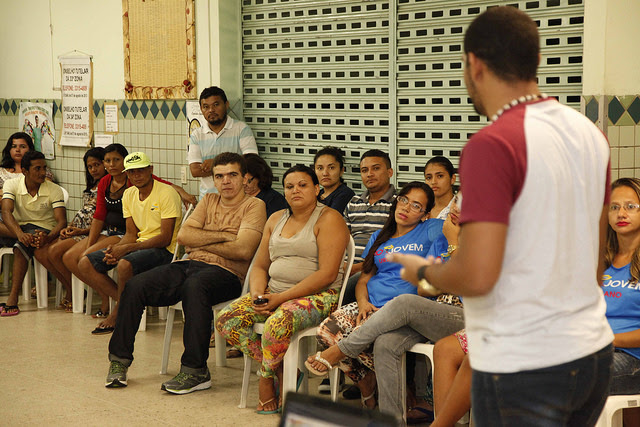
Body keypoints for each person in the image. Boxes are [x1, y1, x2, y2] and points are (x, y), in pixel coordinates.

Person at [389, 7, 613, 425]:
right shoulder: (591, 135)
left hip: (526, 364)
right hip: (591, 353)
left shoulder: (492, 144)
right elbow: (596, 264)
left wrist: (423, 272)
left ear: (474, 64)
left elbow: (477, 275)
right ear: (536, 60)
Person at [105, 152, 266, 392]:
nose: (226, 181)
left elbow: (243, 250)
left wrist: (201, 241)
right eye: (219, 176)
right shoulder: (209, 200)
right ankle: (119, 361)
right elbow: (183, 236)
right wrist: (225, 236)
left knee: (195, 287)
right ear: (214, 180)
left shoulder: (255, 205)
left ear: (244, 178)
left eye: (232, 175)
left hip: (228, 273)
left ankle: (195, 370)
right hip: (190, 264)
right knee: (135, 285)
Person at [215, 165, 349, 414]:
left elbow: (328, 274)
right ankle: (285, 369)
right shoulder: (275, 218)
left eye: (303, 185)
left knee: (277, 323)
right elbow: (260, 266)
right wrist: (258, 295)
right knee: (227, 320)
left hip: (319, 296)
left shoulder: (329, 218)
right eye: (289, 186)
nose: (295, 190)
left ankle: (266, 379)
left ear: (317, 190)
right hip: (274, 293)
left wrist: (281, 298)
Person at [305, 182, 447, 413]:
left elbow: (452, 228)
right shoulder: (380, 237)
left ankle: (348, 359)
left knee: (368, 337)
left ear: (425, 214)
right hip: (371, 305)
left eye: (416, 206)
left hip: (405, 311)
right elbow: (363, 279)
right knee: (326, 332)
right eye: (404, 200)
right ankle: (367, 381)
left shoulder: (431, 229)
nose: (406, 207)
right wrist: (363, 303)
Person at [77, 152, 182, 334]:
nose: (137, 175)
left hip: (165, 250)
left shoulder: (167, 193)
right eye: (132, 172)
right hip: (140, 245)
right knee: (85, 263)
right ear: (126, 174)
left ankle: (118, 312)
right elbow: (131, 234)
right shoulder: (129, 194)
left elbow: (165, 238)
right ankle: (126, 301)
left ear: (150, 170)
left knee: (125, 264)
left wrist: (126, 249)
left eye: (141, 170)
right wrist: (116, 249)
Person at [36, 147, 106, 311]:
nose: (93, 169)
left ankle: (80, 291)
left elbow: (102, 220)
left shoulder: (108, 186)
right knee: (42, 251)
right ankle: (71, 287)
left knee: (56, 252)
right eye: (90, 166)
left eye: (97, 165)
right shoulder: (93, 185)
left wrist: (81, 231)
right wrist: (69, 227)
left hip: (91, 232)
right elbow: (85, 212)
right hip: (77, 229)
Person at [0, 151, 66, 316]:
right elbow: (6, 212)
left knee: (21, 246)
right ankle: (25, 238)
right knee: (23, 239)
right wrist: (20, 234)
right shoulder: (12, 184)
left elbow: (61, 222)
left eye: (44, 168)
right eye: (37, 169)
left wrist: (48, 237)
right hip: (17, 229)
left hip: (42, 230)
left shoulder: (54, 189)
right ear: (25, 171)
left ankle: (12, 299)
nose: (43, 172)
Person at [602, 177, 640, 425]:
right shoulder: (600, 259)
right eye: (614, 207)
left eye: (631, 206)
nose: (621, 213)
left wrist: (608, 339)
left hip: (632, 357)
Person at [188, 86, 258, 199]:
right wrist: (233, 168)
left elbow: (252, 162)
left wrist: (214, 164)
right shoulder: (197, 135)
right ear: (201, 109)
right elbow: (195, 171)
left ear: (226, 105)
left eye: (216, 104)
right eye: (206, 107)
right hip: (208, 199)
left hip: (237, 199)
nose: (211, 110)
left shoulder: (241, 129)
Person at [243, 153, 287, 218]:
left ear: (259, 177)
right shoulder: (237, 196)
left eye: (249, 181)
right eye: (241, 180)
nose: (244, 184)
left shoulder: (274, 200)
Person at [314, 146, 355, 214]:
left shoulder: (345, 195)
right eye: (320, 168)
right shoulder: (318, 193)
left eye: (331, 168)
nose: (325, 173)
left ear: (341, 171)